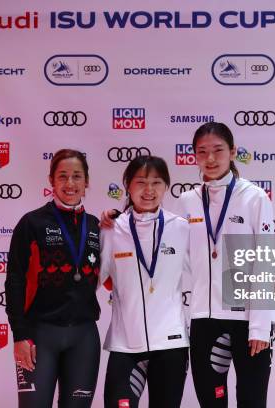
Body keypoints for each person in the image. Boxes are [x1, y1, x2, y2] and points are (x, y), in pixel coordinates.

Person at [102, 122, 275, 407]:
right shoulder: (187, 202)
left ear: (233, 152)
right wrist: (116, 217)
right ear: (193, 156)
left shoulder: (255, 197)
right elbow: (152, 235)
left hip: (248, 321)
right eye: (202, 152)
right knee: (211, 402)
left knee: (252, 400)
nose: (210, 159)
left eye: (218, 150)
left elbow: (265, 262)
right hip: (204, 320)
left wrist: (260, 326)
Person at [5, 149, 101, 408]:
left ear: (87, 182)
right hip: (39, 335)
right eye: (63, 176)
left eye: (77, 177)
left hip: (84, 336)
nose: (70, 184)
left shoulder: (96, 226)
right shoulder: (32, 223)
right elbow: (14, 281)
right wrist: (20, 335)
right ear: (51, 181)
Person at [100, 156, 190, 408]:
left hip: (171, 344)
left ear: (166, 186)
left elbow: (210, 273)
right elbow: (93, 281)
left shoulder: (181, 228)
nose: (148, 190)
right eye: (140, 182)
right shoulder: (111, 229)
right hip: (125, 343)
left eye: (156, 183)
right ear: (127, 185)